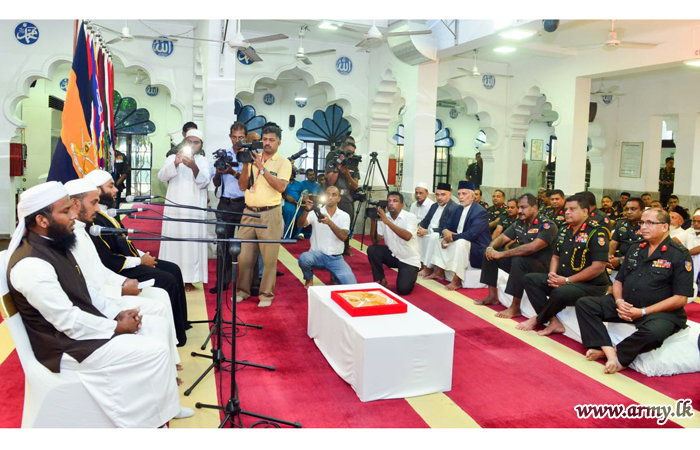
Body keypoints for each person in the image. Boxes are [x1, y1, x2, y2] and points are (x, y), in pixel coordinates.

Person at [4, 182, 192, 427]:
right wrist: (116, 327)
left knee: (155, 326)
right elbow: (68, 321)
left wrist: (117, 313)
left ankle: (157, 410)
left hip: (81, 331)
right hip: (64, 347)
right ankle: (149, 422)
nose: (73, 214)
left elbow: (86, 290)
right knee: (155, 351)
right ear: (41, 220)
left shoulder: (55, 243)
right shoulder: (31, 265)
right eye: (64, 211)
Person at [575, 208, 692, 374]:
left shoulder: (679, 255)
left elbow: (681, 298)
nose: (643, 227)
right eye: (642, 223)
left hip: (659, 311)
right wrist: (619, 301)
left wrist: (643, 312)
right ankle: (609, 351)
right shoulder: (636, 248)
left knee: (654, 333)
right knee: (585, 304)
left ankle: (616, 355)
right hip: (627, 303)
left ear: (665, 227)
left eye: (650, 223)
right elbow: (619, 280)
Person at [85, 169, 190, 346]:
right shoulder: (95, 221)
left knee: (173, 268)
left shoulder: (106, 214)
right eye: (111, 186)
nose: (116, 190)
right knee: (167, 279)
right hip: (120, 268)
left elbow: (124, 243)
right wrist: (141, 261)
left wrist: (143, 256)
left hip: (131, 261)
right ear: (97, 190)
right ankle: (176, 337)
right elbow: (109, 260)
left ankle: (180, 325)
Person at [519, 194, 610, 335]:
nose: (567, 212)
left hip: (590, 285)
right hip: (564, 278)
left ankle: (538, 319)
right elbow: (555, 256)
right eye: (566, 209)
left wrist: (567, 281)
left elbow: (598, 267)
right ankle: (554, 321)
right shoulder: (563, 229)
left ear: (585, 211)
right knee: (530, 279)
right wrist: (552, 274)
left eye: (572, 209)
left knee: (560, 292)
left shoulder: (596, 232)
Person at [236, 122, 292, 307]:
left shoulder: (283, 163)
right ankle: (242, 291)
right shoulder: (253, 158)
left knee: (268, 259)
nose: (267, 143)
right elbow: (243, 186)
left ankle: (266, 295)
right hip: (248, 213)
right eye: (265, 139)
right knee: (244, 257)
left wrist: (262, 168)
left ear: (279, 143)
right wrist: (246, 165)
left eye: (271, 140)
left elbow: (281, 187)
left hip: (270, 214)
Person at [476, 194, 558, 319]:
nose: (519, 211)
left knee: (519, 260)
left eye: (523, 207)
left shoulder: (547, 225)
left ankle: (515, 307)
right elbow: (502, 238)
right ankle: (492, 296)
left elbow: (531, 248)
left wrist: (501, 254)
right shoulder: (519, 222)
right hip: (522, 262)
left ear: (534, 208)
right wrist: (491, 248)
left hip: (541, 267)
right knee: (490, 254)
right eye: (519, 207)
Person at [157, 129, 211, 291]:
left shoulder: (203, 161)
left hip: (194, 209)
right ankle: (172, 277)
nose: (193, 145)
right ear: (184, 142)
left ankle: (190, 280)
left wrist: (193, 166)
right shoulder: (172, 158)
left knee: (191, 243)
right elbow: (161, 177)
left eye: (197, 142)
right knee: (174, 241)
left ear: (201, 145)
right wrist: (176, 163)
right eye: (190, 142)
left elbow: (205, 182)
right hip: (174, 208)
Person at [423, 181, 491, 291]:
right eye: (459, 194)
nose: (460, 197)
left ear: (473, 196)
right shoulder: (458, 209)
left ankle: (457, 280)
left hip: (477, 246)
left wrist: (452, 237)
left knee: (461, 243)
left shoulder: (480, 211)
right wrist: (446, 232)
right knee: (437, 237)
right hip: (460, 238)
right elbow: (446, 225)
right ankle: (439, 272)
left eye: (464, 194)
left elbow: (471, 234)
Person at [209, 122, 248, 294]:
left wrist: (232, 171)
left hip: (244, 204)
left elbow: (248, 184)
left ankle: (247, 284)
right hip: (225, 203)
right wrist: (219, 171)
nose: (237, 140)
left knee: (247, 246)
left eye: (241, 137)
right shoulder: (223, 155)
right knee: (223, 244)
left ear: (245, 138)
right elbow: (216, 182)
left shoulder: (249, 156)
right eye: (234, 137)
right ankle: (222, 282)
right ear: (230, 136)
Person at [296, 186, 357, 289]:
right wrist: (306, 210)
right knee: (304, 259)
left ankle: (334, 275)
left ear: (339, 199)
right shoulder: (316, 212)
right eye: (328, 194)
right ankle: (309, 277)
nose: (330, 197)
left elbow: (343, 237)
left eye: (334, 195)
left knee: (351, 285)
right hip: (317, 255)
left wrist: (329, 222)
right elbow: (300, 224)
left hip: (336, 258)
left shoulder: (344, 216)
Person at [368, 192, 421, 295]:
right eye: (389, 201)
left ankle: (410, 276)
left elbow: (407, 236)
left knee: (403, 290)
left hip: (408, 259)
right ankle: (382, 280)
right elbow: (376, 241)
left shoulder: (410, 217)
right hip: (393, 255)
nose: (391, 204)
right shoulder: (385, 217)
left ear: (402, 205)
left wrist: (387, 222)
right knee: (373, 250)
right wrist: (373, 221)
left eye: (395, 201)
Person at [416, 182, 460, 277]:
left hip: (439, 234)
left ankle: (428, 268)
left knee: (433, 237)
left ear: (450, 195)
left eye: (443, 195)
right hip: (429, 231)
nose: (439, 197)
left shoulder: (454, 208)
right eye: (437, 195)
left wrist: (427, 231)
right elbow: (425, 221)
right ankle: (419, 264)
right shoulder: (434, 206)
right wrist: (419, 228)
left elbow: (446, 228)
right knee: (417, 234)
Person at [325, 141, 360, 256]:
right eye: (348, 152)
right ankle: (326, 246)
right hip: (332, 196)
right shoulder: (332, 162)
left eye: (353, 153)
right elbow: (330, 181)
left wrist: (346, 173)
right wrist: (338, 168)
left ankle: (345, 247)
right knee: (329, 221)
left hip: (346, 197)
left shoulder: (354, 165)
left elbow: (355, 186)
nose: (350, 155)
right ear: (342, 151)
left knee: (347, 222)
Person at [607, 197, 644, 271]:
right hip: (618, 262)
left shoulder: (647, 227)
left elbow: (644, 253)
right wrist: (609, 258)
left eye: (633, 209)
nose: (629, 212)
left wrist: (620, 260)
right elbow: (613, 244)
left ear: (642, 211)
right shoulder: (621, 224)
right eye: (627, 209)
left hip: (638, 264)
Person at [672, 209, 700, 285]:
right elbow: (673, 241)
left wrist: (684, 254)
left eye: (699, 222)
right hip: (689, 265)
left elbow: (698, 249)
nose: (696, 224)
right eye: (694, 221)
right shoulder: (690, 231)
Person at [282, 168, 304, 239]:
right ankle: (287, 235)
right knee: (290, 211)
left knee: (302, 214)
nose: (291, 174)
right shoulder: (283, 183)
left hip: (298, 203)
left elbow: (304, 193)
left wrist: (303, 199)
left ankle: (297, 234)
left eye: (292, 173)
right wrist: (286, 197)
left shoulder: (299, 184)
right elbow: (279, 192)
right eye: (289, 173)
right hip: (286, 202)